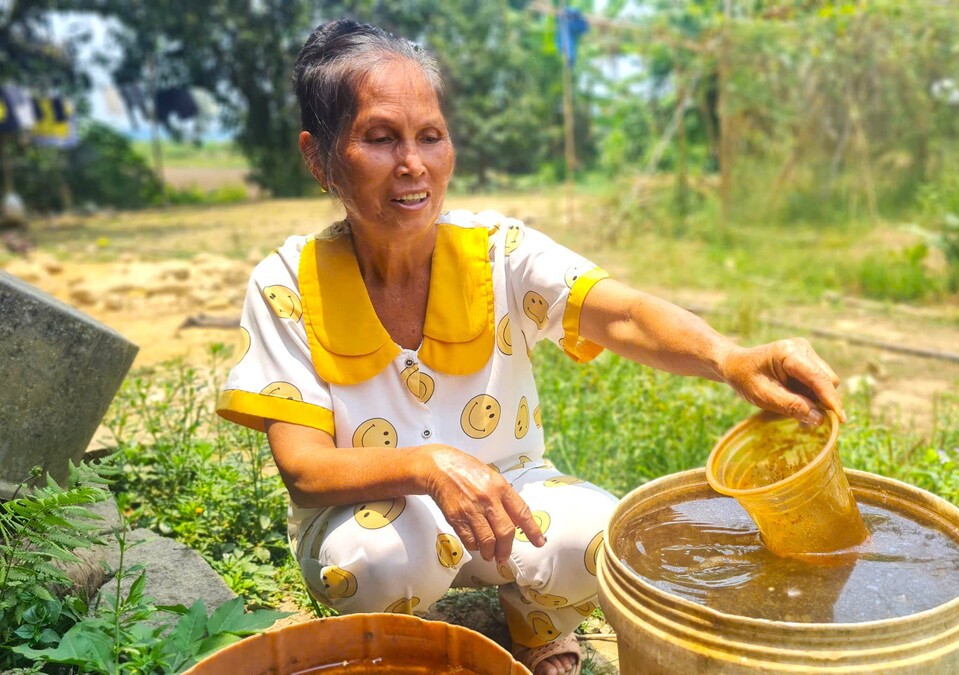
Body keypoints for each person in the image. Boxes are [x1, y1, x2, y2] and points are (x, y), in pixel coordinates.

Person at [216, 19, 845, 675]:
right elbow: (305, 468)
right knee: (368, 565)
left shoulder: (497, 251)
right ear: (319, 158)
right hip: (373, 517)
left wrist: (731, 359)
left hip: (512, 492)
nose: (414, 164)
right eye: (380, 138)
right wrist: (429, 464)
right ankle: (405, 646)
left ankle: (536, 616)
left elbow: (622, 312)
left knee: (606, 540)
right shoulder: (287, 282)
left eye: (430, 136)